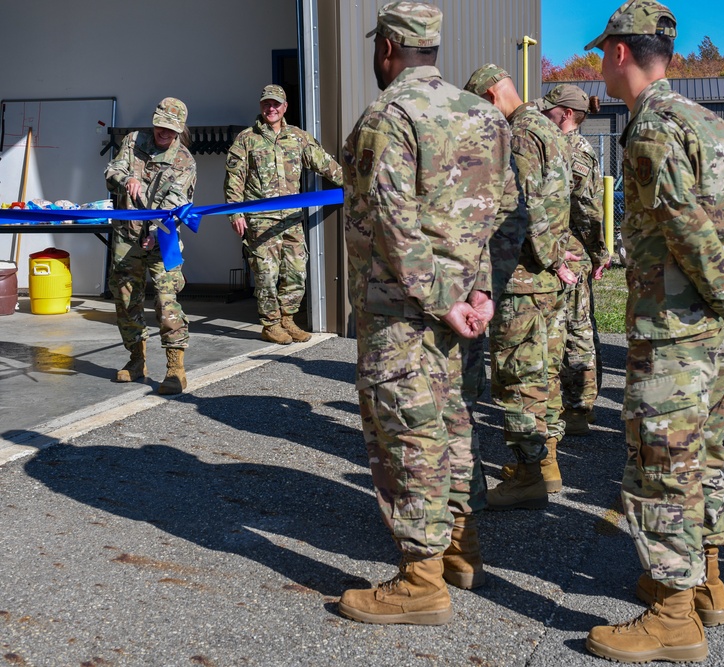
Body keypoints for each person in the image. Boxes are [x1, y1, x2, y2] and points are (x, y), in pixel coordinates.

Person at [582, 1, 724, 661]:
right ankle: (707, 584)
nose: (598, 66)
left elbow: (685, 222)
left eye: (601, 53)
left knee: (662, 461)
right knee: (704, 456)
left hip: (676, 328)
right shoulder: (706, 122)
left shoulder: (651, 128)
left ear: (619, 53)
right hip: (714, 331)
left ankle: (671, 616)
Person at [337, 1, 513, 626]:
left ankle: (421, 578)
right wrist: (476, 293)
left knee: (407, 432)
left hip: (403, 309)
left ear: (387, 47)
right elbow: (488, 214)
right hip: (459, 307)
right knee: (450, 423)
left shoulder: (388, 116)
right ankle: (461, 550)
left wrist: (441, 299)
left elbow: (391, 225)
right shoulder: (484, 116)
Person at [464, 64, 577, 509]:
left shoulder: (520, 134)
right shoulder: (546, 127)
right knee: (543, 372)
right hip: (542, 274)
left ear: (492, 95)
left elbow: (524, 206)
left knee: (518, 378)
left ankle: (529, 474)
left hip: (523, 275)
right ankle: (545, 462)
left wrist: (548, 256)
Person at [224, 84, 343, 345]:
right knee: (266, 273)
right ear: (261, 106)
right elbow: (234, 179)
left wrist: (352, 184)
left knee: (296, 271)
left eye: (276, 104)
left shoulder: (298, 137)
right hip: (261, 220)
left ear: (285, 107)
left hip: (291, 219)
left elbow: (324, 163)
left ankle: (288, 319)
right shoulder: (246, 139)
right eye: (267, 104)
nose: (271, 108)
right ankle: (270, 324)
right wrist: (235, 214)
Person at [105, 97, 196, 396]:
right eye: (161, 126)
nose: (164, 133)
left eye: (171, 129)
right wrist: (126, 178)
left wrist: (157, 232)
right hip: (127, 238)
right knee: (125, 300)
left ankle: (175, 369)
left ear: (179, 130)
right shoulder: (133, 141)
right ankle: (136, 360)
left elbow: (177, 203)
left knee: (167, 302)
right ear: (154, 121)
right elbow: (111, 172)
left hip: (164, 240)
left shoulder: (184, 161)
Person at [535, 84, 611, 436]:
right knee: (560, 329)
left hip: (571, 251)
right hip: (555, 250)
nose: (543, 112)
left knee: (575, 329)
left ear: (566, 114)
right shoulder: (554, 144)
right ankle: (564, 404)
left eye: (551, 108)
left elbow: (588, 208)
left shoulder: (574, 151)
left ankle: (579, 406)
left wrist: (598, 252)